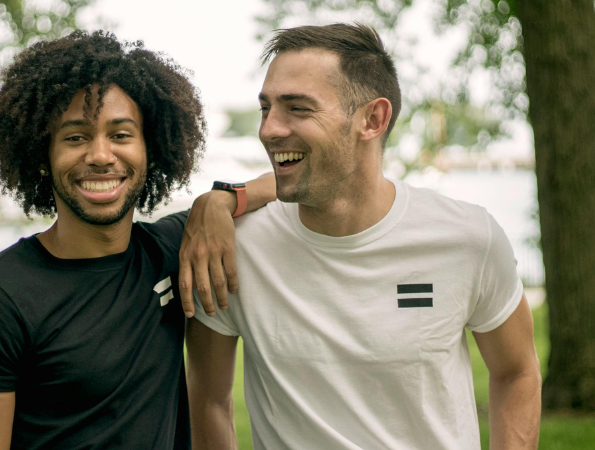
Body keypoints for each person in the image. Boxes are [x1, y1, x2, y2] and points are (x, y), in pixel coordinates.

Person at [184, 23, 542, 450]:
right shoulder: (233, 249)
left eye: (297, 108)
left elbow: (517, 372)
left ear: (372, 119)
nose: (269, 129)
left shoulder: (468, 238)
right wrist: (217, 202)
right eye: (266, 108)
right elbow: (208, 400)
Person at [0, 30, 274, 450]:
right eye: (75, 137)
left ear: (153, 149)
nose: (100, 155)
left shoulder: (171, 249)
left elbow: (287, 184)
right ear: (43, 156)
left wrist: (220, 199)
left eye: (121, 135)